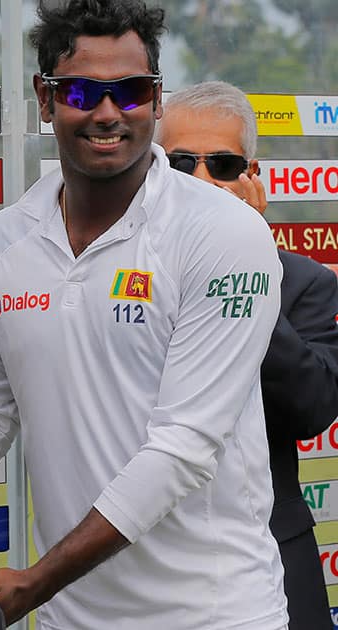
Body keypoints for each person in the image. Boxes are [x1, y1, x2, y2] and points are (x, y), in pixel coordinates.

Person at [0, 1, 289, 627]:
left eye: (132, 91)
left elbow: (182, 448)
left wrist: (34, 584)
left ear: (157, 98)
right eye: (83, 91)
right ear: (44, 97)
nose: (109, 113)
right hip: (72, 618)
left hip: (215, 615)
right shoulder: (6, 240)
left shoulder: (224, 234)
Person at [157, 80, 338, 630]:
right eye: (181, 161)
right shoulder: (118, 277)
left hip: (272, 549)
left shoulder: (302, 282)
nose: (202, 179)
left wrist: (248, 270)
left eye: (224, 163)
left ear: (251, 176)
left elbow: (310, 409)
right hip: (137, 553)